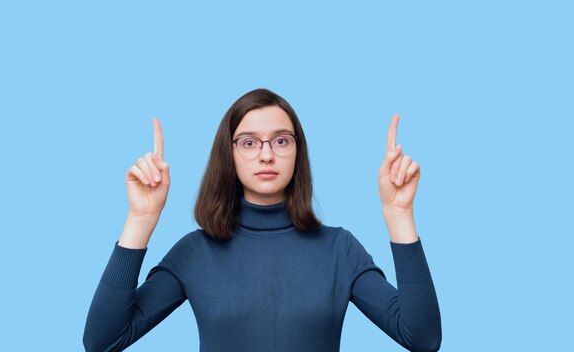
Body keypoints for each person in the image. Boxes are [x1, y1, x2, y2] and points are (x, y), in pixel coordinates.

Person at [83, 88, 442, 352]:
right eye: (250, 143)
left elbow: (422, 338)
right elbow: (103, 339)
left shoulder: (340, 249)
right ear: (230, 154)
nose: (267, 155)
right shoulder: (195, 252)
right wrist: (141, 218)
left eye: (281, 141)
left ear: (297, 151)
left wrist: (399, 215)